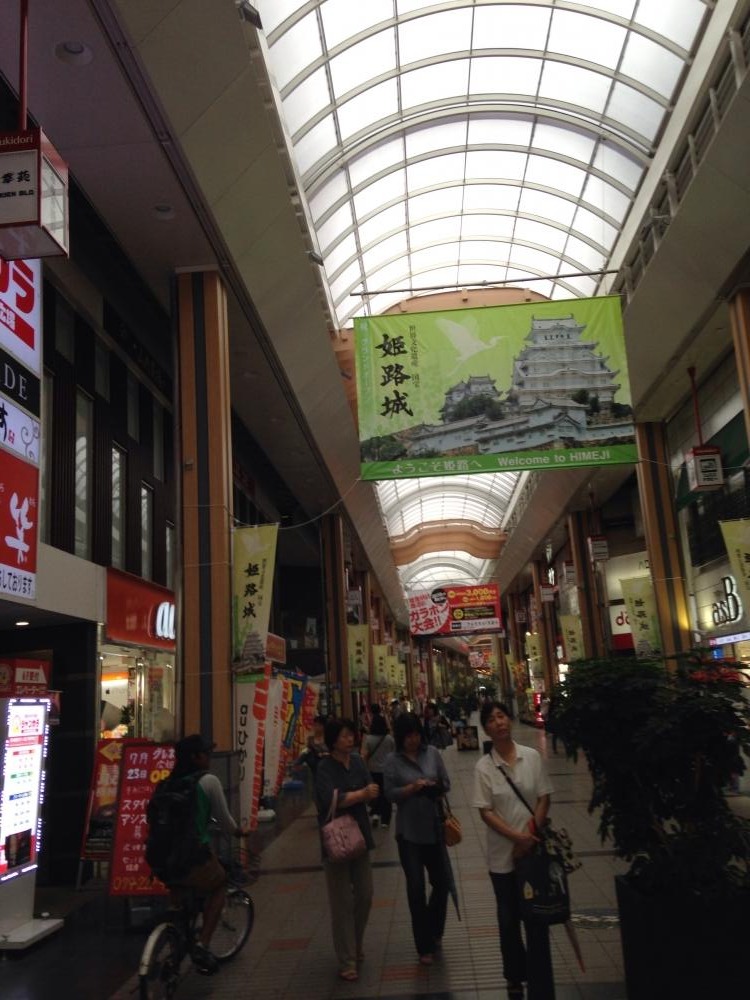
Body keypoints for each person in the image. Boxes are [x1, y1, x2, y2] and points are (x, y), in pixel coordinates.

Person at [473, 702, 554, 1000]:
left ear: (508, 720)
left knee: (534, 917)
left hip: (532, 854)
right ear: (486, 728)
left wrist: (529, 836)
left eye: (501, 716)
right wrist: (516, 838)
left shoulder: (531, 757)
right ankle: (514, 976)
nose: (499, 723)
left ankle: (538, 973)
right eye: (492, 719)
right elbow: (486, 812)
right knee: (508, 921)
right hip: (501, 859)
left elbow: (544, 797)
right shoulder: (484, 767)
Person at [166, 734, 251, 975]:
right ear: (195, 757)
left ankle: (173, 941)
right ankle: (202, 945)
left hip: (163, 858)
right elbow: (224, 820)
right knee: (219, 884)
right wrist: (239, 832)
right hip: (193, 854)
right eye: (206, 754)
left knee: (179, 895)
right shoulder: (208, 781)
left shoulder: (168, 783)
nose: (210, 758)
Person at [315, 718, 379, 982]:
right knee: (341, 902)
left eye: (350, 735)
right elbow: (328, 799)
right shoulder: (324, 767)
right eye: (343, 736)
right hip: (337, 841)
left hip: (360, 836)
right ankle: (347, 959)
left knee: (365, 895)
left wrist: (363, 794)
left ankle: (357, 943)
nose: (349, 739)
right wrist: (360, 795)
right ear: (332, 741)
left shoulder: (358, 762)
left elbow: (371, 789)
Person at [384, 712, 451, 966]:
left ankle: (433, 929)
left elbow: (446, 783)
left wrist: (434, 786)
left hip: (433, 829)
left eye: (415, 734)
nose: (412, 740)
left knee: (442, 883)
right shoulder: (392, 761)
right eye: (407, 736)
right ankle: (424, 945)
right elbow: (389, 794)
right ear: (400, 737)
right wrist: (411, 789)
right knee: (416, 889)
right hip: (408, 833)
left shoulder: (432, 753)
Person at [361, 705, 395, 828]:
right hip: (386, 771)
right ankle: (385, 820)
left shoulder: (368, 739)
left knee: (375, 793)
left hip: (372, 770)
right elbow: (393, 753)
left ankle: (375, 814)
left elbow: (364, 755)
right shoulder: (389, 739)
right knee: (386, 795)